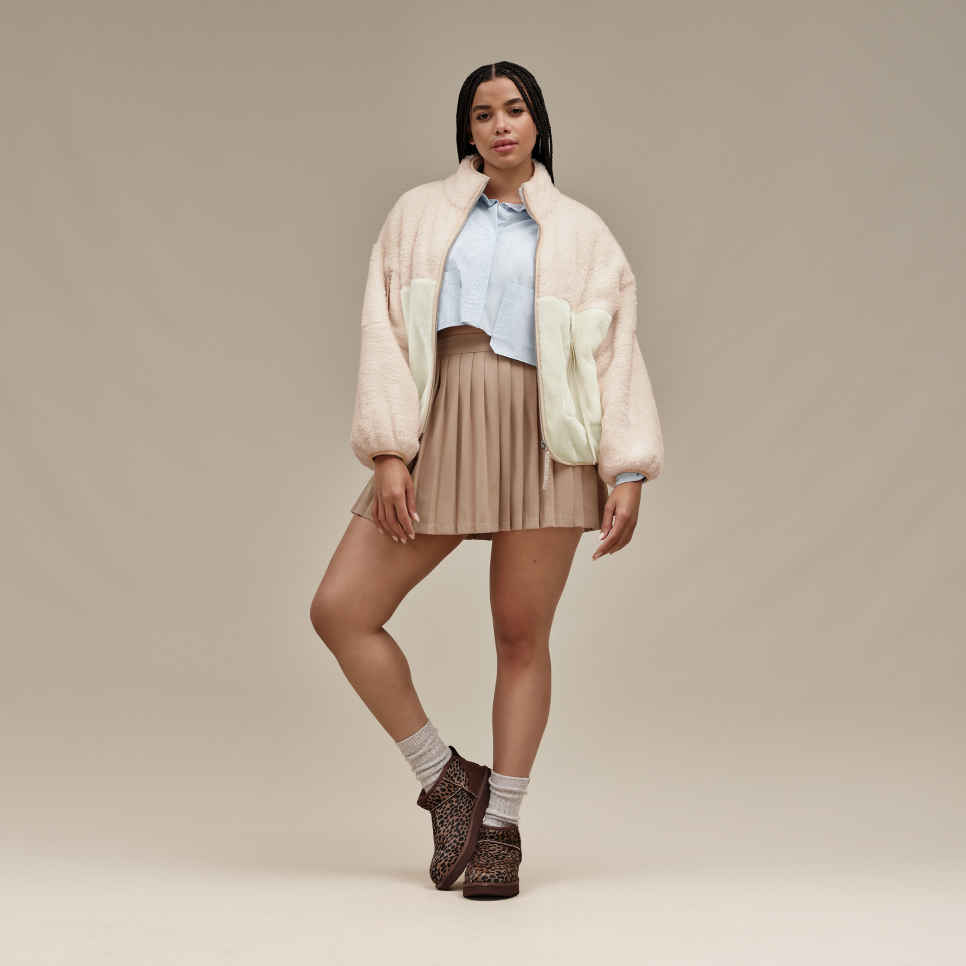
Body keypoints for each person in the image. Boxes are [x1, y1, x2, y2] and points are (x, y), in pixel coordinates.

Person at [309, 61, 664, 899]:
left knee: (519, 636)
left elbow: (614, 354)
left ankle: (500, 825)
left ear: (538, 122)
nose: (500, 125)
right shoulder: (419, 215)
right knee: (341, 609)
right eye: (482, 113)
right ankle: (446, 782)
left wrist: (627, 467)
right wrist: (390, 451)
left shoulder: (581, 232)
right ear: (467, 130)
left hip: (549, 436)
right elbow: (384, 331)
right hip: (445, 423)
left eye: (514, 109)